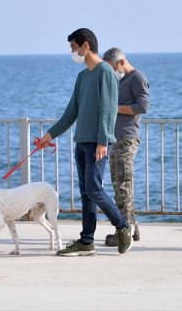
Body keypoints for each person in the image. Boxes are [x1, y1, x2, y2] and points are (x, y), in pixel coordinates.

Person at [36, 28, 133, 257]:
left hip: (98, 143)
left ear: (85, 45)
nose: (73, 52)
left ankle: (123, 227)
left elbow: (109, 109)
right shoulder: (82, 77)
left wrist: (102, 141)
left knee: (94, 188)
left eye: (73, 47)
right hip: (81, 143)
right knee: (86, 192)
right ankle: (87, 241)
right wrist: (50, 135)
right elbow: (71, 112)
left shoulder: (105, 73)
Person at [101, 47, 150, 247]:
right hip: (117, 139)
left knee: (123, 187)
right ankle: (132, 229)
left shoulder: (137, 77)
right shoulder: (122, 81)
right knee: (119, 185)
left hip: (127, 139)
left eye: (113, 67)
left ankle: (124, 232)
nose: (113, 72)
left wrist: (114, 107)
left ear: (121, 62)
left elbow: (143, 106)